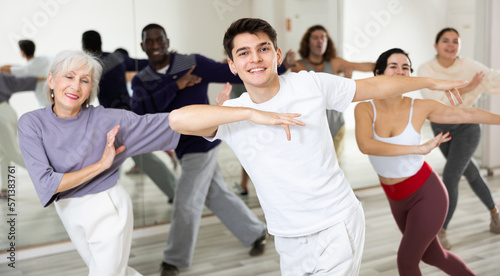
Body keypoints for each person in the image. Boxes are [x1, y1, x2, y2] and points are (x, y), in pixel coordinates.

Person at [167, 18, 467, 276]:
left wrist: (430, 82)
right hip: (287, 236)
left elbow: (373, 87)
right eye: (243, 53)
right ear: (232, 66)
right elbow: (178, 120)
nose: (255, 58)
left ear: (277, 54)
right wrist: (252, 113)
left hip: (335, 223)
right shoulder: (233, 113)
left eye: (263, 49)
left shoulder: (308, 85)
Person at [131, 23, 293, 276]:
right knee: (215, 194)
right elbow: (140, 112)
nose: (155, 46)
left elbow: (230, 72)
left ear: (167, 40)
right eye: (149, 42)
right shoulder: (143, 79)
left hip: (203, 142)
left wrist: (282, 66)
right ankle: (256, 232)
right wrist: (176, 86)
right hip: (181, 147)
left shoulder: (190, 63)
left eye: (159, 40)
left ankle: (173, 261)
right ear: (142, 46)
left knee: (186, 201)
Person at [17, 50, 180, 276]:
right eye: (69, 76)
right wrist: (101, 165)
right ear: (51, 80)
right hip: (69, 210)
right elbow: (47, 184)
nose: (76, 86)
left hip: (106, 207)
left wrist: (225, 116)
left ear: (90, 90)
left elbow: (169, 122)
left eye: (85, 81)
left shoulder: (107, 119)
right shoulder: (32, 123)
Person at [353, 48, 488, 275]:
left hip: (427, 194)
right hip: (396, 197)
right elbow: (366, 145)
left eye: (406, 67)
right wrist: (417, 148)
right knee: (435, 255)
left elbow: (469, 114)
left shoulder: (418, 107)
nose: (400, 71)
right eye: (393, 66)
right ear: (378, 73)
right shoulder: (365, 108)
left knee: (406, 262)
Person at [418, 27, 500, 249]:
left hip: (468, 127)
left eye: (455, 41)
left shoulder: (469, 66)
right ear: (436, 46)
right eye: (446, 41)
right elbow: (435, 100)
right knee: (471, 172)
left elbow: (493, 78)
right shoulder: (426, 69)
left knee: (451, 177)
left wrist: (472, 88)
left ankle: (440, 230)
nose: (451, 45)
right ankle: (495, 214)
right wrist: (468, 88)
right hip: (442, 129)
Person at [82, 30, 177, 202]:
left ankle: (106, 198)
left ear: (85, 46)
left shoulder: (89, 65)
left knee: (119, 160)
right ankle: (174, 192)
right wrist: (168, 59)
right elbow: (143, 63)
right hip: (128, 114)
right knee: (127, 158)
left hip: (112, 120)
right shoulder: (115, 58)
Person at [291, 25, 375, 162]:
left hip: (336, 125)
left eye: (323, 37)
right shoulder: (298, 66)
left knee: (335, 166)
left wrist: (388, 63)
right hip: (312, 128)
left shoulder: (335, 63)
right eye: (315, 37)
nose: (320, 41)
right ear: (308, 42)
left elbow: (362, 66)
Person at [0, 73, 41, 198]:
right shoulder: (2, 76)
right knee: (4, 154)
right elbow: (24, 80)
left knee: (13, 153)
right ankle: (5, 188)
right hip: (8, 111)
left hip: (1, 116)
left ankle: (48, 176)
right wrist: (46, 76)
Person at [0, 39, 51, 107]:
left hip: (46, 102)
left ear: (22, 52)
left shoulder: (26, 69)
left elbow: (2, 69)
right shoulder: (43, 59)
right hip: (54, 95)